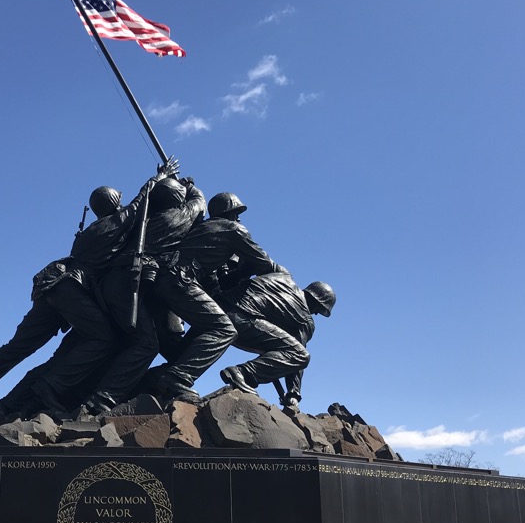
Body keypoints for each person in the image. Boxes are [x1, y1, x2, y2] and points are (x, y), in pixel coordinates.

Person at [0, 163, 172, 424]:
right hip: (71, 287)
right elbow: (141, 202)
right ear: (115, 203)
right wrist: (159, 177)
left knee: (16, 348)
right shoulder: (114, 222)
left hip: (52, 284)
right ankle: (49, 388)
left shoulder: (91, 230)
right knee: (103, 338)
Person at [78, 174, 206, 414]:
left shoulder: (138, 222)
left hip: (114, 284)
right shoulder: (179, 216)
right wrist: (191, 186)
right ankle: (100, 401)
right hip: (129, 282)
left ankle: (160, 385)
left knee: (161, 342)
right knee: (147, 344)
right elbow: (199, 202)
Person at [147, 191, 286, 401]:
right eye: (236, 212)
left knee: (185, 343)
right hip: (180, 281)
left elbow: (211, 276)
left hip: (164, 280)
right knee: (224, 329)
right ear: (227, 212)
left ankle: (156, 379)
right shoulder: (233, 229)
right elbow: (264, 264)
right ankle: (178, 378)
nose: (238, 218)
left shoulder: (202, 228)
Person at [216, 274, 335, 412]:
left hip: (219, 307)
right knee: (301, 355)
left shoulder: (284, 281)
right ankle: (242, 373)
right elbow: (297, 354)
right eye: (319, 310)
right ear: (316, 302)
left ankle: (244, 377)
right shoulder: (305, 318)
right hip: (242, 319)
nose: (315, 314)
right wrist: (293, 393)